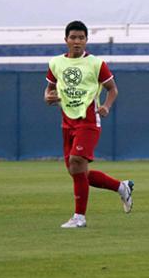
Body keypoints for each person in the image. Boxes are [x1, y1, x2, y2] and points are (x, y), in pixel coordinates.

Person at [44, 20, 133, 228]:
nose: (77, 41)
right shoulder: (56, 63)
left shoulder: (96, 63)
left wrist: (107, 106)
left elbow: (112, 89)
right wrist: (48, 97)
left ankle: (79, 218)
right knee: (77, 172)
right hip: (67, 122)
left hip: (89, 121)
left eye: (81, 38)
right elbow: (49, 89)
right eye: (73, 37)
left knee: (76, 162)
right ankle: (122, 187)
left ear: (86, 40)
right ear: (66, 40)